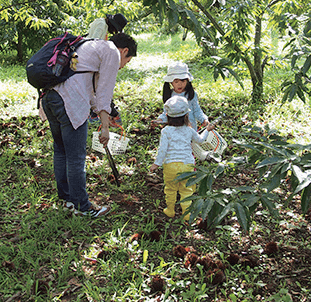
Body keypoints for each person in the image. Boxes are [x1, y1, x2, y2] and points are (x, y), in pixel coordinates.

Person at [41, 32, 137, 218]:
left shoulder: (89, 45)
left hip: (50, 98)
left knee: (61, 151)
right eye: (127, 61)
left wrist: (101, 115)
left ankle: (67, 200)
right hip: (70, 102)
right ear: (124, 51)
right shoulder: (111, 52)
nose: (123, 66)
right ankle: (82, 207)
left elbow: (87, 88)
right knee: (76, 157)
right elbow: (104, 92)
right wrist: (105, 127)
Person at [150, 96, 215, 221]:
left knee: (170, 189)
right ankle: (186, 214)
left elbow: (162, 150)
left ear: (168, 117)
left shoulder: (166, 131)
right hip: (187, 165)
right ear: (186, 116)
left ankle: (170, 210)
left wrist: (156, 164)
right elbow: (200, 140)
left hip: (170, 165)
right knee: (187, 190)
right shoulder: (189, 130)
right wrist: (207, 130)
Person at [87, 13, 127, 124]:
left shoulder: (100, 22)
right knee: (97, 88)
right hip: (90, 61)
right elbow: (93, 44)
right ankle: (95, 114)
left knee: (95, 88)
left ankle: (96, 113)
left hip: (91, 61)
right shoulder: (101, 25)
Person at [153, 61, 209, 130]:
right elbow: (166, 113)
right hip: (175, 131)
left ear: (187, 81)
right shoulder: (170, 95)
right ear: (171, 82)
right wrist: (160, 120)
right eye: (176, 82)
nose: (180, 84)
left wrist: (203, 119)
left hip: (190, 130)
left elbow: (197, 110)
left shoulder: (191, 94)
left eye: (183, 81)